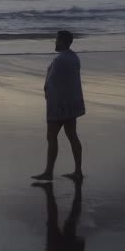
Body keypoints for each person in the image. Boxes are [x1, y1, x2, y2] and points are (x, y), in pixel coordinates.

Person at [32, 30, 84, 181]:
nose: (55, 42)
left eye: (56, 40)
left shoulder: (61, 60)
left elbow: (52, 82)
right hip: (71, 104)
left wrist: (47, 92)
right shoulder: (74, 58)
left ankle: (49, 172)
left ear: (62, 41)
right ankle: (78, 171)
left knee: (52, 137)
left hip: (59, 105)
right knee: (72, 136)